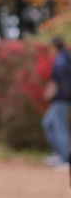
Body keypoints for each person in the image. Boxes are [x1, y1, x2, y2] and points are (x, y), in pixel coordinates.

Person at [43, 36, 71, 168]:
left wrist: (49, 93)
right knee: (48, 123)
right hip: (61, 99)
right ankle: (59, 154)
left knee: (60, 127)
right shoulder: (64, 58)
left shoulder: (60, 61)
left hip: (62, 99)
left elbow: (57, 80)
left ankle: (64, 159)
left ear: (54, 47)